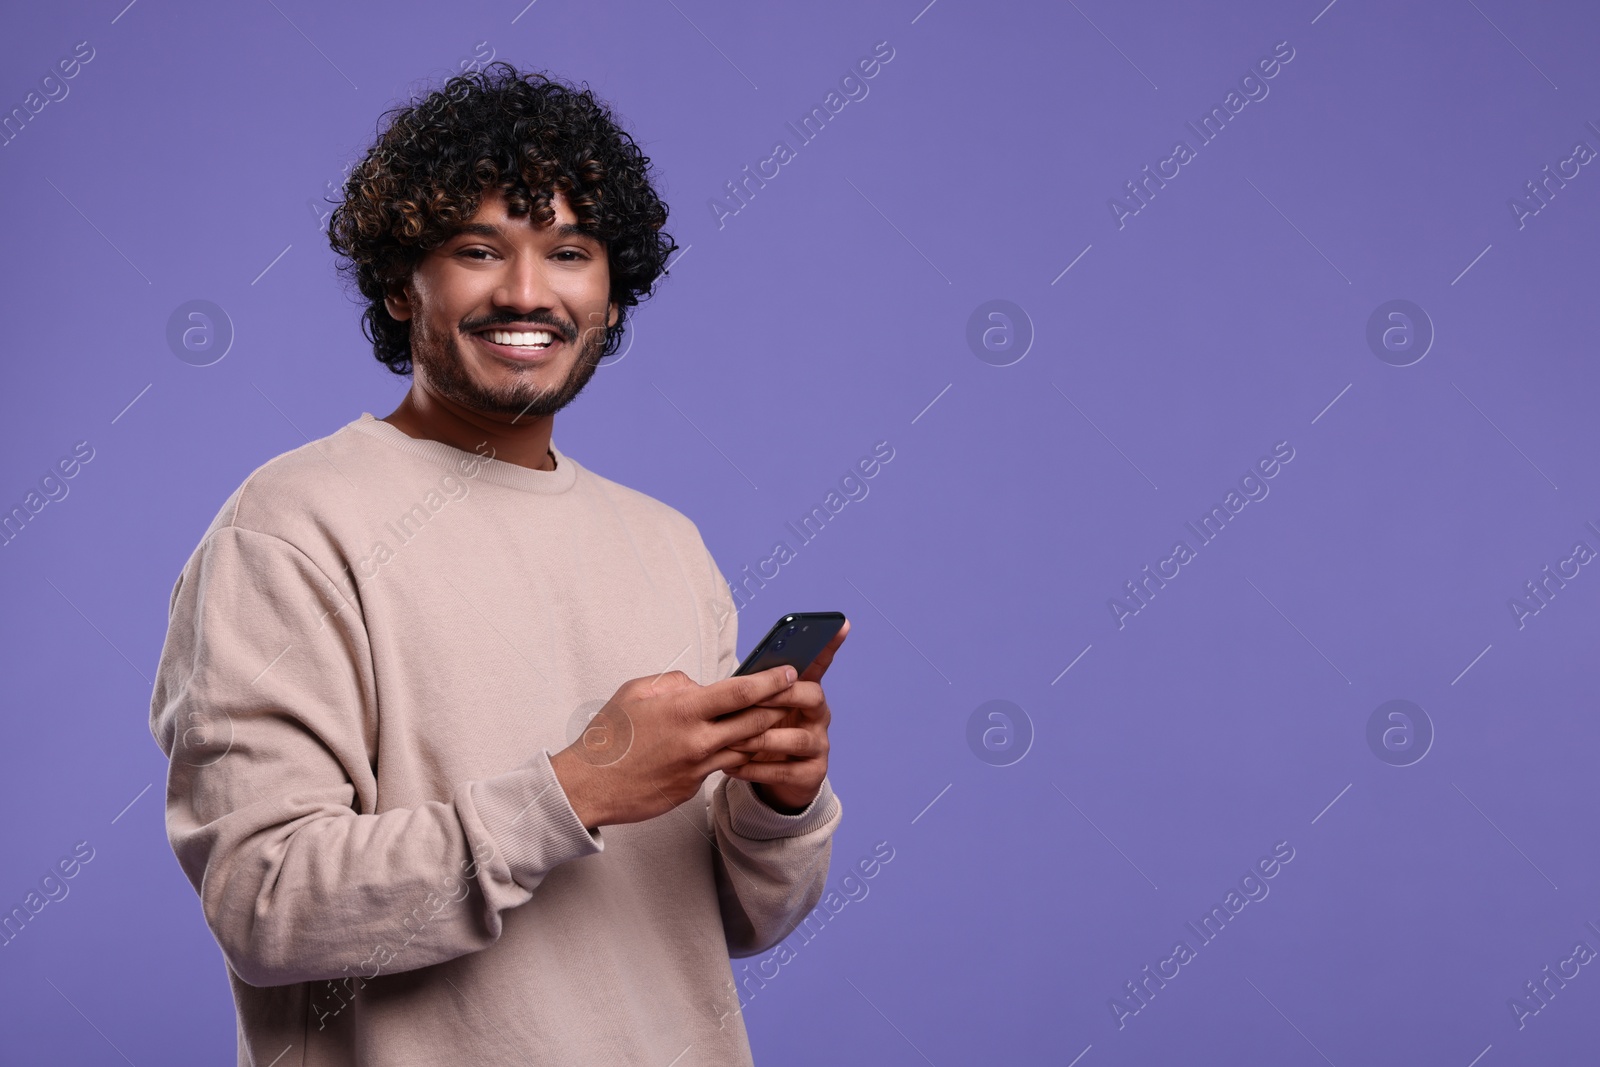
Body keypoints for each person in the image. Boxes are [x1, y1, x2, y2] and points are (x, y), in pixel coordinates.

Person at [149, 61, 847, 1066]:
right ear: (402, 283)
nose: (527, 292)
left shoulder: (666, 543)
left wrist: (777, 805)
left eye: (569, 251)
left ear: (611, 291)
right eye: (479, 249)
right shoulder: (290, 526)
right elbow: (269, 906)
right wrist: (577, 785)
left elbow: (732, 922)